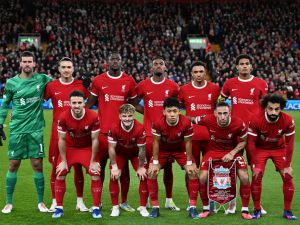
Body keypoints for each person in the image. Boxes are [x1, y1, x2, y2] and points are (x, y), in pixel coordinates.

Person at [0, 51, 52, 214]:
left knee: (37, 165)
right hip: (17, 130)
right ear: (20, 63)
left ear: (34, 64)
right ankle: (9, 202)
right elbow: (4, 104)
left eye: (30, 61)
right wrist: (0, 123)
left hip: (36, 130)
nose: (27, 64)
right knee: (13, 164)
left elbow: (60, 86)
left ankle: (41, 202)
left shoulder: (42, 79)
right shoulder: (11, 83)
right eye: (25, 61)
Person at [86, 52, 139, 211]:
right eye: (112, 59)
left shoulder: (129, 80)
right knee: (99, 168)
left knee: (123, 169)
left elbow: (135, 105)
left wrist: (154, 112)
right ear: (107, 62)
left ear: (121, 61)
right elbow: (90, 103)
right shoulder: (98, 80)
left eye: (118, 59)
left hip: (122, 134)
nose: (115, 61)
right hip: (102, 133)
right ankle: (98, 202)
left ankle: (123, 201)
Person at [221, 54, 268, 214]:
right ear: (236, 67)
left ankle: (257, 204)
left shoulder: (261, 83)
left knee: (256, 171)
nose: (244, 66)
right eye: (241, 64)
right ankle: (232, 203)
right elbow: (221, 102)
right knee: (232, 170)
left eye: (247, 63)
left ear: (251, 66)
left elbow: (267, 108)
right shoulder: (229, 84)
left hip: (255, 134)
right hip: (235, 134)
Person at [44, 57, 90, 212]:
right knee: (55, 168)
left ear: (73, 68)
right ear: (59, 69)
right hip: (57, 135)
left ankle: (80, 201)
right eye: (63, 67)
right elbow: (36, 103)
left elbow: (91, 103)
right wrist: (15, 113)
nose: (66, 70)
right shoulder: (51, 86)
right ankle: (55, 201)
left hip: (78, 134)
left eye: (69, 67)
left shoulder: (80, 86)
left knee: (78, 167)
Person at [196, 101, 252, 220]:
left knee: (245, 177)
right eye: (220, 113)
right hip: (212, 152)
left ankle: (245, 209)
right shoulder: (207, 119)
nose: (222, 117)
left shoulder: (238, 123)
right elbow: (191, 119)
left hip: (233, 152)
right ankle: (206, 208)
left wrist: (232, 153)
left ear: (230, 112)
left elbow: (244, 141)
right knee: (202, 177)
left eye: (225, 113)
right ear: (215, 113)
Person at [137, 57, 180, 211]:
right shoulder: (143, 85)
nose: (158, 66)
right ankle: (147, 198)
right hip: (149, 133)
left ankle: (169, 200)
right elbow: (135, 102)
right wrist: (146, 112)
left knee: (168, 167)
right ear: (151, 68)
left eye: (161, 63)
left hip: (168, 135)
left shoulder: (173, 86)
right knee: (149, 167)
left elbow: (176, 107)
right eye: (155, 64)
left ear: (165, 67)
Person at [52, 90, 102, 219]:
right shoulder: (63, 117)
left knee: (95, 173)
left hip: (87, 148)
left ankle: (96, 208)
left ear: (84, 103)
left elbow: (95, 140)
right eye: (74, 103)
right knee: (60, 172)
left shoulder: (93, 116)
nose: (77, 106)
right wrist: (63, 161)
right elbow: (61, 140)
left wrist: (93, 161)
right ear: (69, 103)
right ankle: (59, 208)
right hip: (70, 147)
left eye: (79, 102)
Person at [147, 97, 199, 219]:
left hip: (180, 151)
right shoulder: (158, 122)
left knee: (192, 172)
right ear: (164, 112)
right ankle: (155, 208)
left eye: (175, 111)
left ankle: (192, 207)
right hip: (163, 151)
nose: (172, 114)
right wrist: (154, 162)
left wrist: (190, 162)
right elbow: (155, 142)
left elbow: (188, 143)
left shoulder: (186, 122)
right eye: (169, 111)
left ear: (179, 111)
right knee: (152, 172)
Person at [178, 61, 220, 211]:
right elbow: (177, 110)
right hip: (191, 137)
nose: (198, 74)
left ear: (205, 72)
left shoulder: (214, 89)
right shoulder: (183, 90)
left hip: (210, 137)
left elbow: (220, 109)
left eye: (201, 71)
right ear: (191, 74)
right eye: (195, 72)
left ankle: (211, 199)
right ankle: (192, 201)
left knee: (211, 169)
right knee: (191, 170)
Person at [248, 94, 297, 220]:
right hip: (261, 149)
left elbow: (290, 143)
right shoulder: (255, 119)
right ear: (265, 108)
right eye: (270, 109)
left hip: (279, 149)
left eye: (277, 109)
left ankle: (287, 211)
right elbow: (251, 143)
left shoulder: (288, 120)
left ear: (281, 108)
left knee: (287, 176)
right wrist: (254, 164)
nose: (273, 112)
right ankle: (257, 209)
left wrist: (288, 165)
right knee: (257, 176)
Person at [108, 104, 148, 217]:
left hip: (135, 154)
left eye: (130, 116)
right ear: (120, 116)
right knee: (113, 176)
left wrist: (140, 167)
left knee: (144, 175)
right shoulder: (114, 127)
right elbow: (111, 148)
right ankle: (115, 207)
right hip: (120, 154)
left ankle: (143, 207)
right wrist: (114, 166)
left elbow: (142, 149)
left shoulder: (140, 128)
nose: (127, 119)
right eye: (124, 116)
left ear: (134, 115)